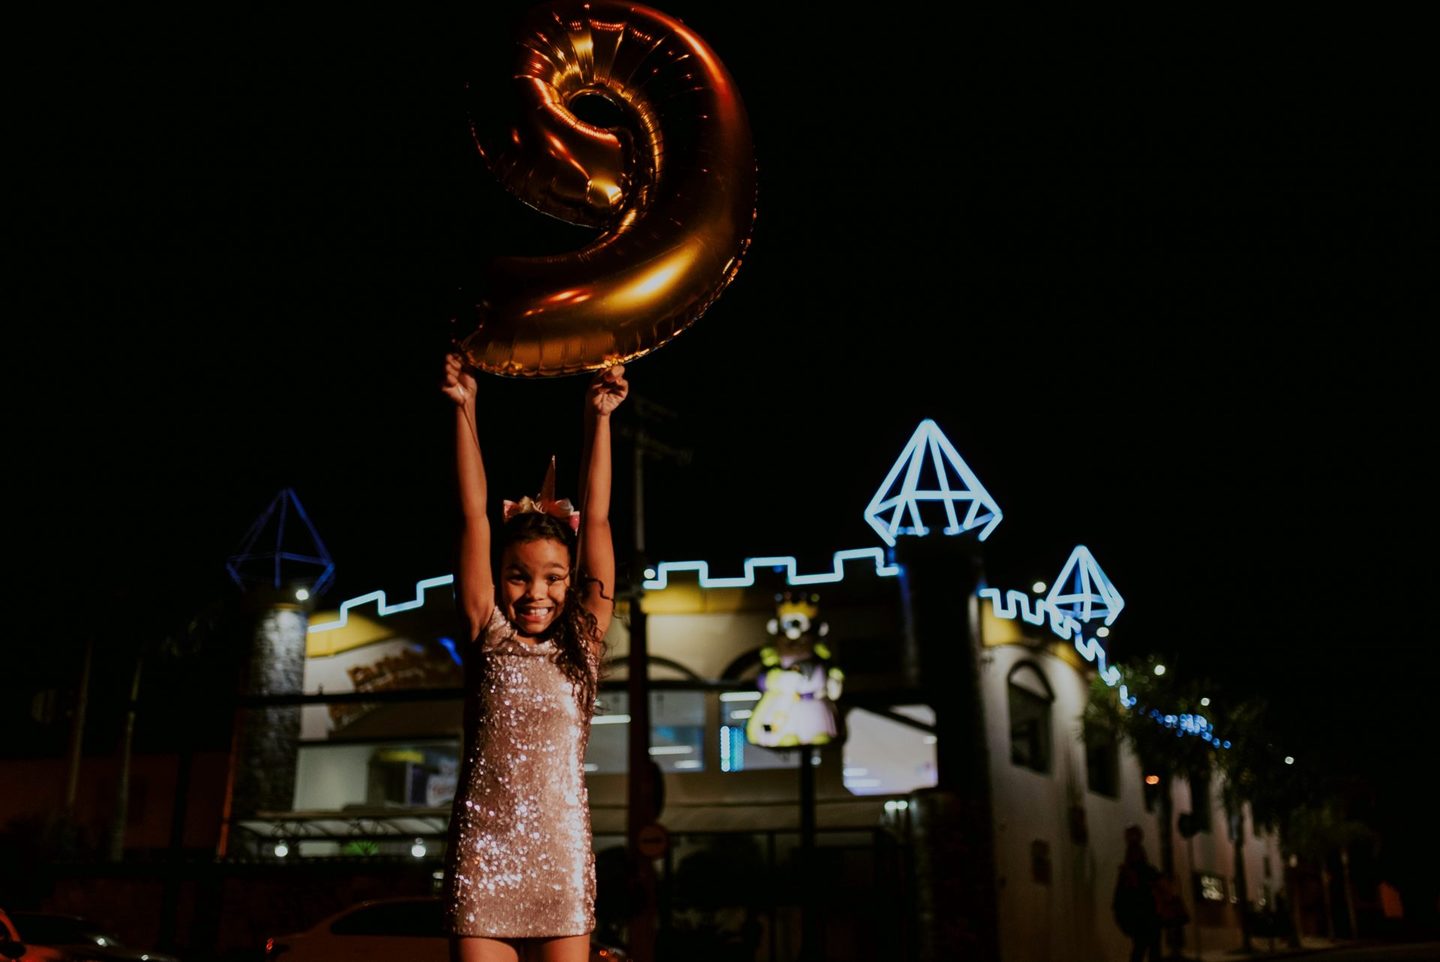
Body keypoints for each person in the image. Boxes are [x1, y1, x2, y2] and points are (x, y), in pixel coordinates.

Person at [440, 351, 628, 962]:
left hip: (561, 858)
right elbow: (473, 513)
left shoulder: (584, 647)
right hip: (483, 856)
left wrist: (598, 417)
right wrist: (466, 407)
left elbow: (596, 518)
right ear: (499, 580)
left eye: (553, 577)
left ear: (571, 582)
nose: (536, 592)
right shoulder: (485, 631)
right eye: (519, 577)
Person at [1112, 824, 1163, 962]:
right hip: (1142, 915)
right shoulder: (1130, 872)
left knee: (1147, 948)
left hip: (1147, 915)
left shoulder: (1140, 870)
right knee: (1144, 948)